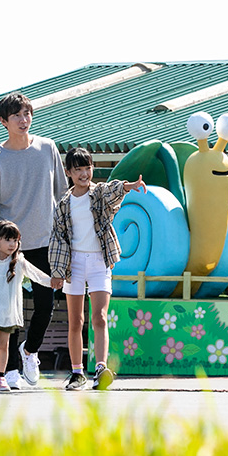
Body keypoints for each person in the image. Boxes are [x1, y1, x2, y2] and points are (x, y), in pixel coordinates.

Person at [0, 92, 68, 388]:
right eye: (16, 115)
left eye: (27, 113)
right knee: (9, 307)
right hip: (9, 245)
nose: (23, 120)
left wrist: (67, 236)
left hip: (45, 239)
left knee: (46, 302)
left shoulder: (47, 148)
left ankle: (29, 351)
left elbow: (62, 193)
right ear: (3, 121)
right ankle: (11, 370)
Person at [48, 147, 144, 390]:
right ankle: (77, 372)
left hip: (100, 260)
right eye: (78, 169)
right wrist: (58, 271)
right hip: (74, 264)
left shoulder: (98, 193)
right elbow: (58, 238)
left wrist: (128, 186)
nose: (84, 173)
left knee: (100, 317)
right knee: (75, 321)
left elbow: (112, 190)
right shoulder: (64, 204)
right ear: (68, 172)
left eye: (87, 168)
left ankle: (100, 368)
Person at [0, 220, 53, 391]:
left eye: (15, 240)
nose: (12, 244)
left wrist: (51, 282)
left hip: (7, 312)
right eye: (7, 240)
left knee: (4, 345)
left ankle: (0, 375)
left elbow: (36, 275)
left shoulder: (19, 262)